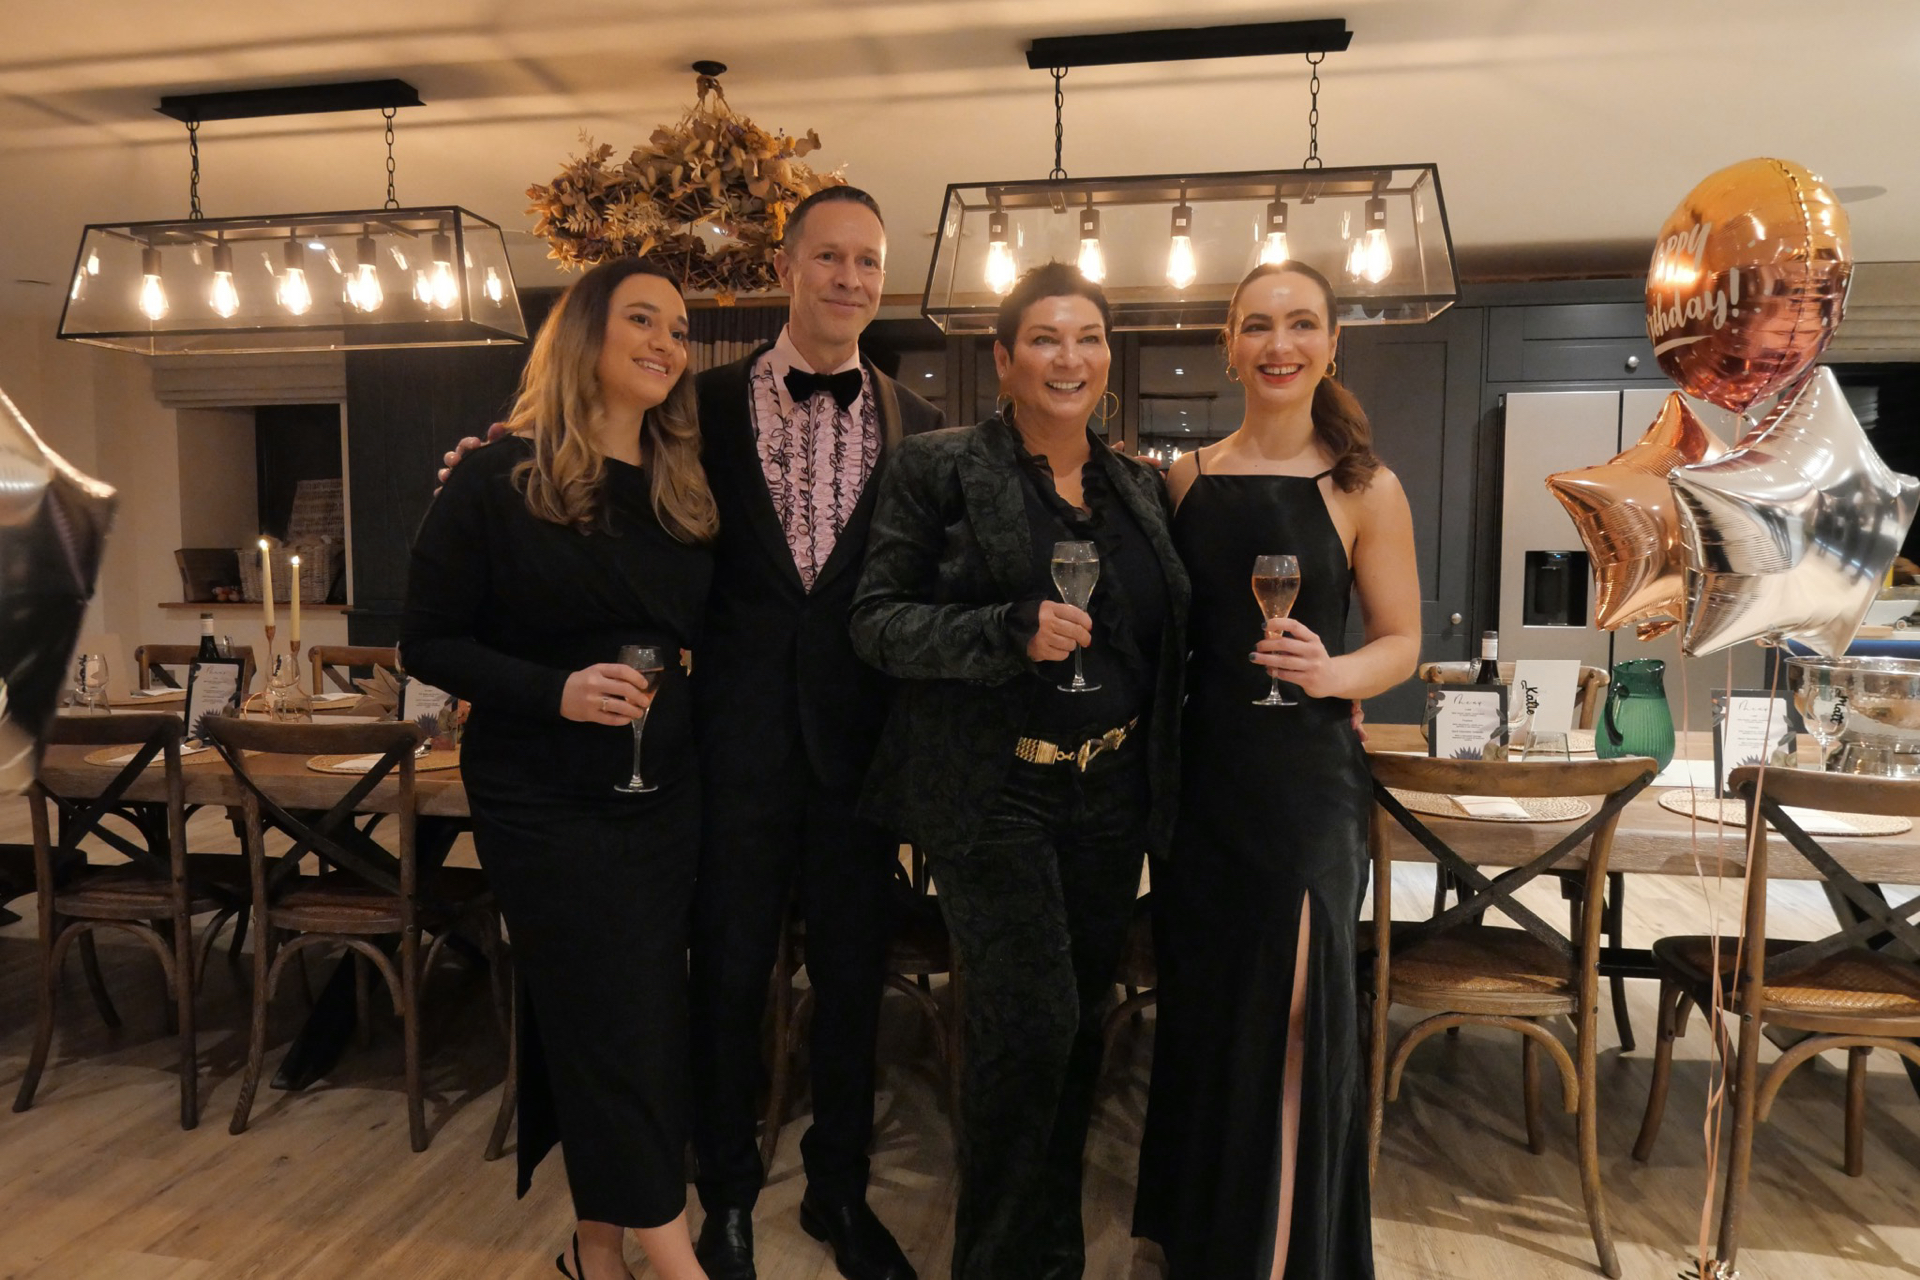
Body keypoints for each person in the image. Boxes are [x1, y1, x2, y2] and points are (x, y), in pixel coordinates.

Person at [850, 262, 1190, 1280]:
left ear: (1108, 358)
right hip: (997, 792)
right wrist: (1006, 628)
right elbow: (876, 623)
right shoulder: (940, 469)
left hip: (1111, 792)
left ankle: (1053, 1252)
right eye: (1044, 338)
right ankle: (998, 1261)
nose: (1068, 358)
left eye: (1088, 338)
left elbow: (1167, 639)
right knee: (1026, 1030)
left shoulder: (1137, 487)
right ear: (1003, 360)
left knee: (1078, 1028)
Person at [402, 258, 715, 1280]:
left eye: (678, 328)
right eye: (643, 320)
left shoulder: (681, 483)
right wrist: (556, 691)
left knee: (628, 1018)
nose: (667, 343)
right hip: (542, 798)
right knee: (616, 1023)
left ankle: (595, 1251)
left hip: (662, 796)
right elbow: (427, 642)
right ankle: (677, 1261)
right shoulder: (498, 476)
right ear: (584, 334)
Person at [1132, 261, 1421, 1279]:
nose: (1279, 343)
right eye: (1258, 325)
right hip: (1204, 783)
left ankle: (1282, 1257)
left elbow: (1402, 641)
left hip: (1306, 787)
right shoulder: (1183, 480)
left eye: (1301, 324)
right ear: (1229, 344)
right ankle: (1206, 1242)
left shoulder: (1365, 486)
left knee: (1297, 1016)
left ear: (1332, 344)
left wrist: (1335, 672)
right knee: (1213, 1013)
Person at [684, 185, 939, 1280]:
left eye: (868, 260)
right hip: (732, 747)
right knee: (728, 979)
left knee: (850, 982)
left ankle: (840, 1188)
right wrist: (494, 452)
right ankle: (726, 1197)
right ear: (785, 268)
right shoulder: (694, 404)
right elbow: (602, 483)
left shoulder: (916, 424)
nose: (849, 278)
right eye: (829, 257)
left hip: (857, 754)